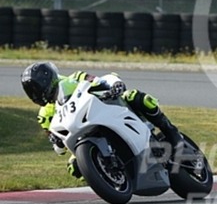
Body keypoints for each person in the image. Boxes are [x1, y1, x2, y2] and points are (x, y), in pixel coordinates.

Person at [20, 62, 188, 178]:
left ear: (47, 79)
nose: (35, 92)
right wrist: (56, 141)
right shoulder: (44, 115)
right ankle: (110, 176)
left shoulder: (74, 78)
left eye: (37, 87)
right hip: (82, 137)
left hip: (107, 110)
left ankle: (171, 131)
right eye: (31, 90)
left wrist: (114, 86)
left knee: (135, 96)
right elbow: (58, 146)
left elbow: (100, 80)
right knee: (74, 167)